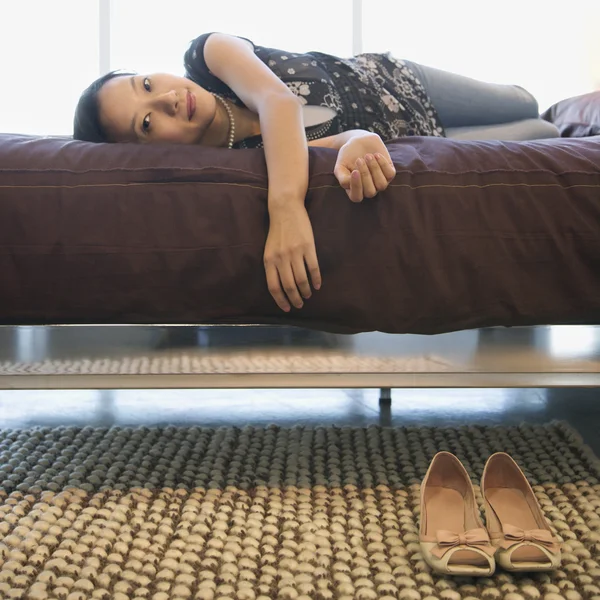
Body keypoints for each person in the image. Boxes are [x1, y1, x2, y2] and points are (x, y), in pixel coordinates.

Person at [73, 32, 543, 313]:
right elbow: (318, 146)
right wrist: (355, 138)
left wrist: (287, 210)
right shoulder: (237, 164)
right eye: (148, 122)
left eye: (147, 84)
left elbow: (279, 101)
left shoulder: (208, 54)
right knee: (543, 130)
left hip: (397, 81)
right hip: (419, 140)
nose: (167, 99)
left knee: (525, 102)